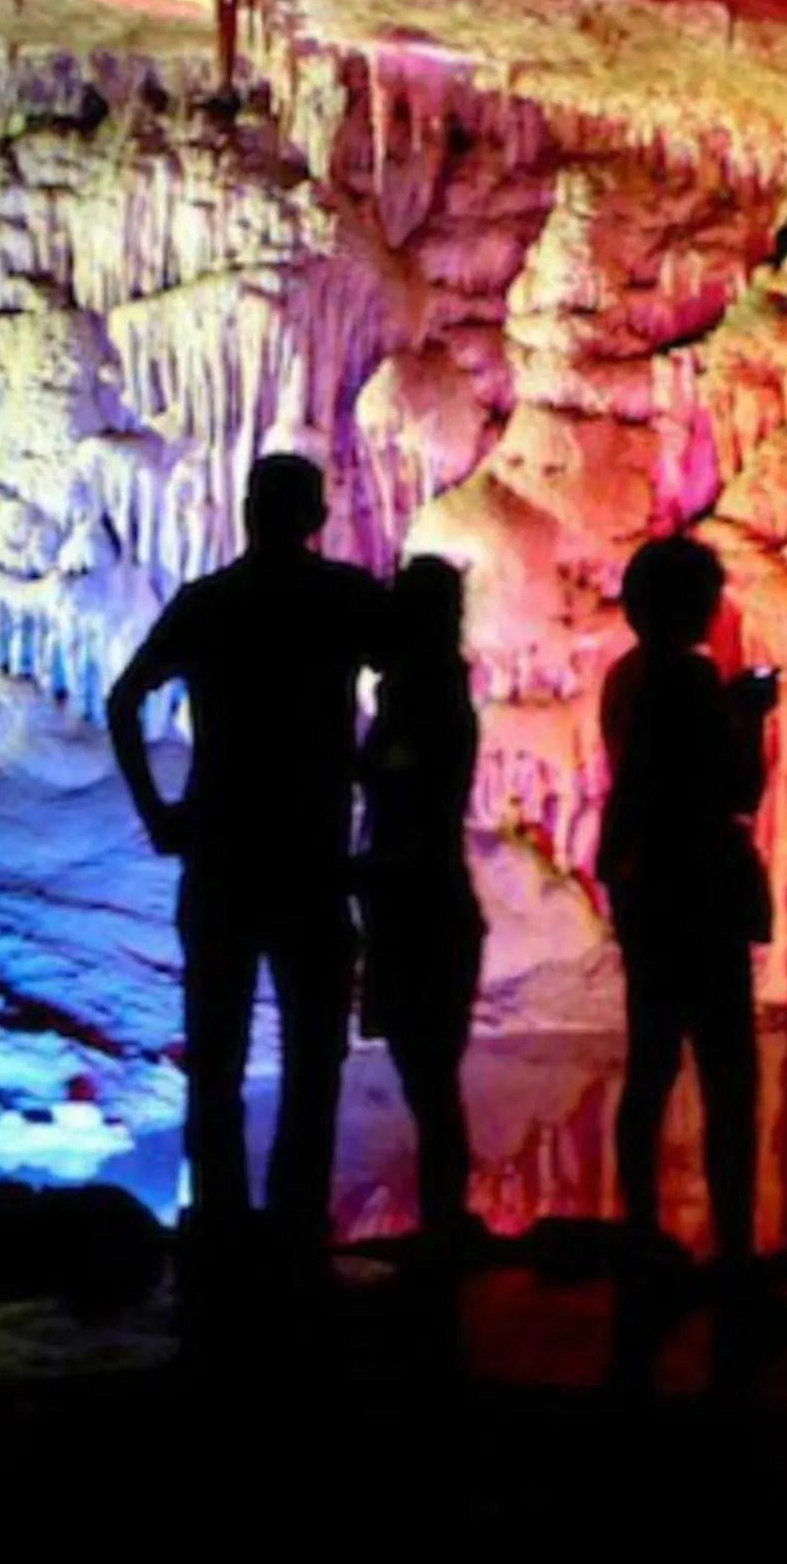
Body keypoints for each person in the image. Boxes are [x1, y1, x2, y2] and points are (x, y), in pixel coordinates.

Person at [111, 453, 386, 1264]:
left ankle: (222, 1229)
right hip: (310, 855)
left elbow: (126, 701)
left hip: (224, 849)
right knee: (312, 1056)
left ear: (246, 511)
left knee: (217, 1051)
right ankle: (296, 1225)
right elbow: (426, 667)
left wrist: (156, 810)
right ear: (314, 517)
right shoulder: (340, 597)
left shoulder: (210, 603)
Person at [596, 535, 775, 1273]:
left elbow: (632, 783)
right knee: (729, 1082)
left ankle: (642, 1237)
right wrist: (751, 716)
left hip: (649, 896)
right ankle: (733, 1261)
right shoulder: (691, 683)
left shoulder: (625, 676)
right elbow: (738, 790)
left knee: (650, 1067)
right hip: (697, 897)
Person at [358, 556, 486, 1252]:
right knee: (428, 1077)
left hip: (420, 905)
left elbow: (411, 802)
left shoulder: (429, 697)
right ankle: (443, 1221)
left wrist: (358, 869)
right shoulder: (424, 691)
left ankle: (443, 1230)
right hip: (415, 899)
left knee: (429, 1077)